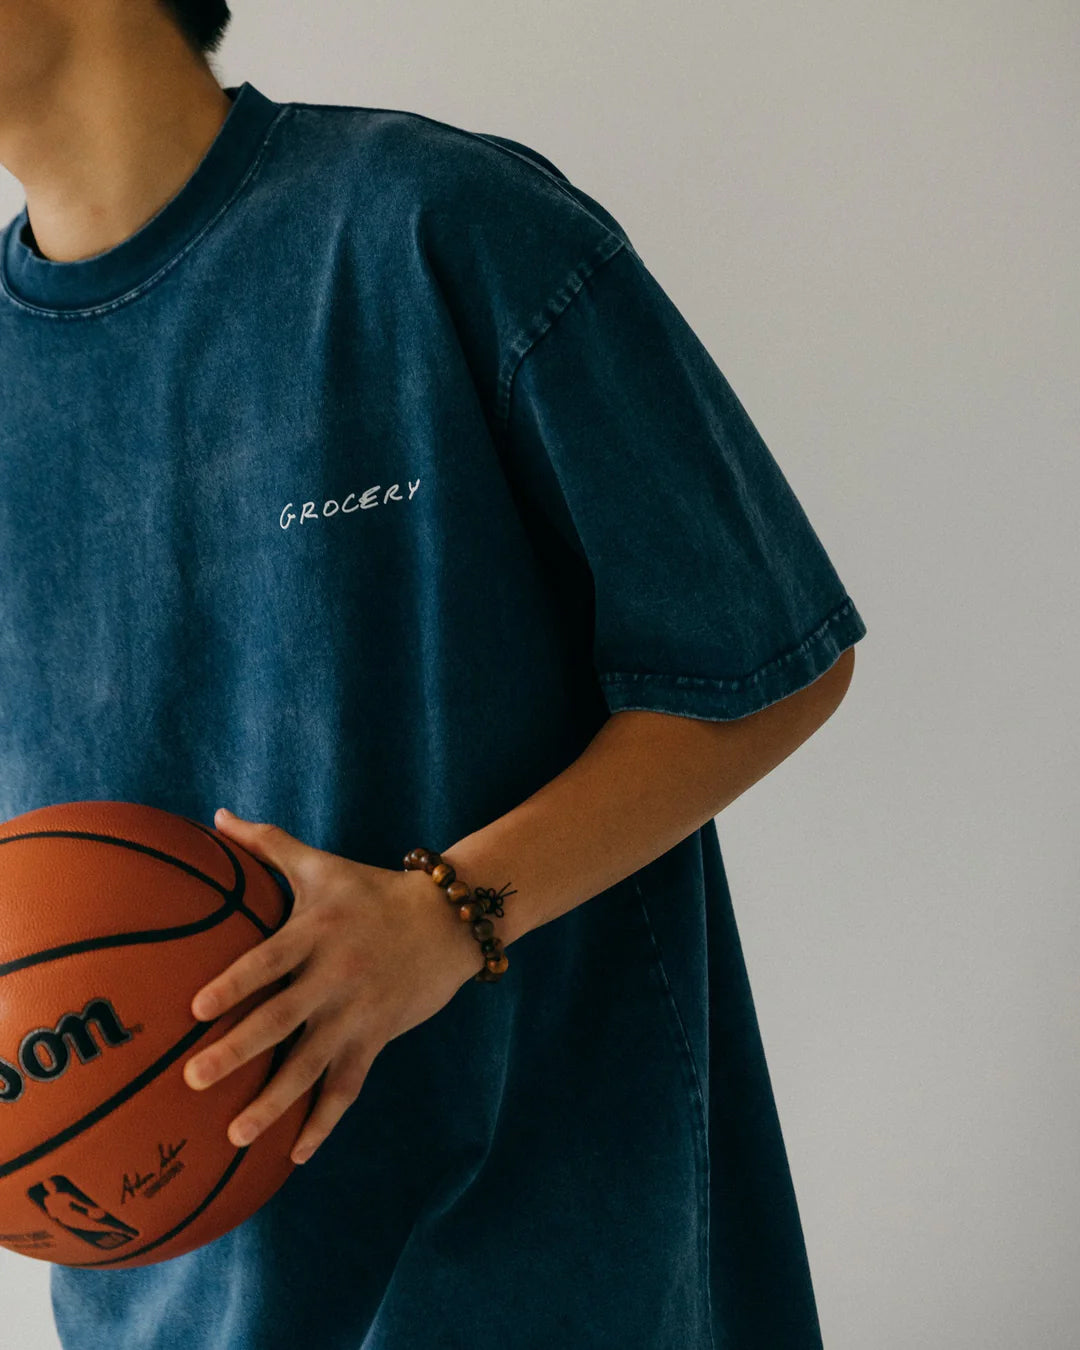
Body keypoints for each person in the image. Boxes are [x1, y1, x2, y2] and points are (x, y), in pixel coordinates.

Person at [0, 2, 868, 1347]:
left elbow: (764, 664)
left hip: (548, 1269)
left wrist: (443, 917)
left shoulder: (437, 226)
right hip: (165, 1305)